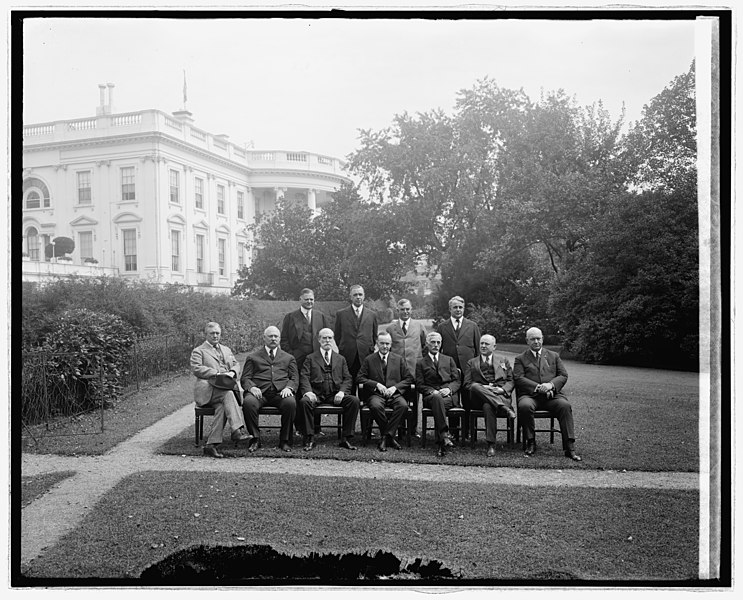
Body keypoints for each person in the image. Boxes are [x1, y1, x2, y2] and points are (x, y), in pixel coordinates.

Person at [513, 327, 581, 461]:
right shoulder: (520, 358)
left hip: (552, 396)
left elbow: (563, 375)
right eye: (533, 339)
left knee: (564, 406)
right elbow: (519, 378)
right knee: (525, 406)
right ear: (527, 341)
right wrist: (538, 387)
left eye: (539, 338)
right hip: (530, 396)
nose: (536, 341)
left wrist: (550, 385)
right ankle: (531, 442)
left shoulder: (553, 356)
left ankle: (569, 447)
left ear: (542, 339)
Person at [190, 322, 252, 458]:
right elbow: (196, 368)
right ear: (206, 334)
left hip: (223, 390)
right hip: (207, 391)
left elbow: (236, 363)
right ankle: (237, 429)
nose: (215, 336)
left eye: (217, 333)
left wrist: (232, 373)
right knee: (228, 394)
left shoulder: (226, 349)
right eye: (212, 333)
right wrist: (217, 374)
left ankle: (210, 445)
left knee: (223, 407)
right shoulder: (199, 351)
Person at [297, 328, 360, 451]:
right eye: (324, 338)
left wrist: (342, 392)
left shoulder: (340, 359)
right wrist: (308, 392)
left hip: (335, 394)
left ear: (333, 340)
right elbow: (304, 376)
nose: (327, 340)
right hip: (316, 394)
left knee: (354, 401)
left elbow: (348, 378)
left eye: (330, 338)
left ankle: (346, 438)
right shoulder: (310, 358)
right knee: (304, 402)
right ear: (319, 340)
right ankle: (309, 438)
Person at [280, 287, 331, 436]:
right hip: (297, 360)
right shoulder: (290, 317)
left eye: (311, 299)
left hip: (316, 360)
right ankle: (300, 427)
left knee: (316, 388)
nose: (309, 302)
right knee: (297, 392)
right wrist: (291, 357)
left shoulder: (320, 316)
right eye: (306, 299)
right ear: (300, 300)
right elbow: (284, 340)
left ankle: (316, 426)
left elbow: (326, 338)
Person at [240, 325, 298, 453]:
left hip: (280, 393)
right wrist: (252, 387)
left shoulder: (288, 358)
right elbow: (245, 378)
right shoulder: (253, 357)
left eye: (276, 336)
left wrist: (289, 387)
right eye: (270, 336)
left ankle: (285, 440)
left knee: (290, 403)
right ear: (264, 338)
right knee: (249, 403)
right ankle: (255, 439)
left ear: (279, 338)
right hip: (260, 393)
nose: (273, 339)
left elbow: (294, 378)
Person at [357, 331, 413, 452]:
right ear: (377, 344)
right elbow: (360, 377)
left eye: (387, 343)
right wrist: (376, 384)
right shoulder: (369, 359)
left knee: (403, 406)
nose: (385, 346)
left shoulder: (398, 359)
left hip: (394, 394)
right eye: (382, 343)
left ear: (391, 344)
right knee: (375, 406)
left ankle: (386, 437)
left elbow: (409, 378)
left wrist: (395, 388)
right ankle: (390, 436)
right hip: (376, 394)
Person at [436, 295, 481, 441]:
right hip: (450, 370)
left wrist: (477, 369)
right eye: (455, 307)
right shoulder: (443, 327)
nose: (458, 310)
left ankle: (467, 431)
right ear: (450, 309)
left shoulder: (472, 326)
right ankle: (454, 431)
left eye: (460, 307)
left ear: (464, 309)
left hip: (468, 370)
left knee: (468, 400)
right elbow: (439, 350)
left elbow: (478, 350)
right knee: (453, 400)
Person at [463, 334, 515, 457]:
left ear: (494, 346)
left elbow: (511, 380)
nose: (483, 346)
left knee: (488, 406)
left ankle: (491, 444)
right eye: (481, 343)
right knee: (475, 386)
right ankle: (502, 407)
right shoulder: (472, 362)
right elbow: (467, 384)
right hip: (478, 398)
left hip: (500, 394)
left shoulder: (503, 360)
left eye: (486, 344)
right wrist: (484, 388)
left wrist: (502, 390)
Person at [415, 331, 460, 457]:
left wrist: (449, 389)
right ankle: (444, 436)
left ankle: (441, 439)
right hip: (431, 396)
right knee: (436, 398)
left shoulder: (449, 360)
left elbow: (457, 380)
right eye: (433, 342)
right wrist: (432, 391)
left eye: (438, 342)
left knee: (438, 401)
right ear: (427, 344)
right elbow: (419, 384)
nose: (436, 345)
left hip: (449, 397)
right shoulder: (421, 363)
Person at [387, 298, 427, 438]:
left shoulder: (419, 326)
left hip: (414, 368)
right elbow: (387, 348)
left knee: (414, 400)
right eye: (402, 309)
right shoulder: (391, 328)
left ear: (411, 310)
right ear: (397, 310)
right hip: (397, 370)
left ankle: (412, 429)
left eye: (408, 309)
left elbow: (424, 345)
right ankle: (398, 428)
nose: (405, 312)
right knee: (398, 398)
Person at [333, 284, 378, 385]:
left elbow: (374, 336)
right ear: (350, 297)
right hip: (348, 355)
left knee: (366, 385)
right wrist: (344, 347)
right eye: (355, 295)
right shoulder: (341, 314)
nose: (358, 297)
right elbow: (337, 335)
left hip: (366, 355)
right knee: (349, 385)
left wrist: (367, 347)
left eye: (360, 294)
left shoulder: (372, 315)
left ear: (364, 296)